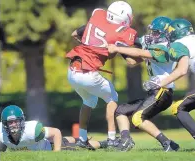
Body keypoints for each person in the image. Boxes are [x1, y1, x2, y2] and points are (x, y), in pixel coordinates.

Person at [66, 1, 137, 148]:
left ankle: (82, 139)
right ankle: (111, 138)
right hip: (88, 73)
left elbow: (74, 34)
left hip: (72, 71)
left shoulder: (98, 16)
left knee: (89, 101)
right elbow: (132, 62)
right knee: (112, 97)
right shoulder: (122, 32)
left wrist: (92, 45)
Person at [107, 16, 179, 152]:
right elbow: (132, 61)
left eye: (156, 32)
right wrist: (116, 38)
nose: (152, 35)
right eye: (152, 31)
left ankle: (167, 144)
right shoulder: (153, 45)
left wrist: (117, 48)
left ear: (166, 34)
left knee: (137, 118)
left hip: (163, 90)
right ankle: (125, 140)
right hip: (156, 92)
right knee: (121, 111)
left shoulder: (164, 48)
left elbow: (139, 52)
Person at [155, 18, 195, 152]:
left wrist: (159, 83)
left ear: (176, 32)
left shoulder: (179, 43)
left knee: (178, 108)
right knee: (188, 97)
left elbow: (182, 70)